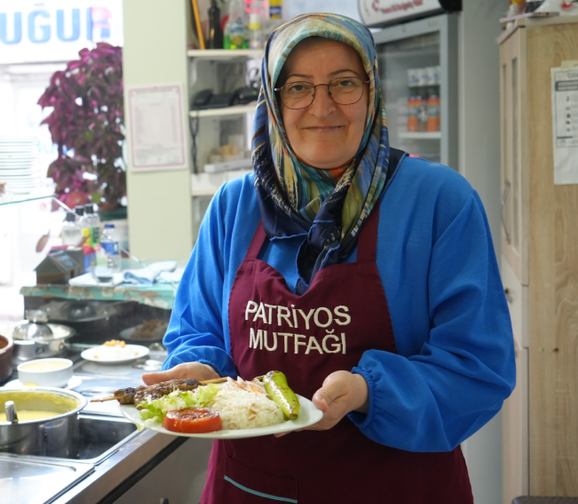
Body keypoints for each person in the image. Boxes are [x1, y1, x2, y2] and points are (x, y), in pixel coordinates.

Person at [142, 13, 516, 503]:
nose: (322, 106)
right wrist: (204, 371)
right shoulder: (235, 206)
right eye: (298, 88)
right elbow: (198, 328)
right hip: (252, 487)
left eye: (343, 83)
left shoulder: (439, 202)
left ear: (372, 89)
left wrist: (366, 390)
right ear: (273, 102)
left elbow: (477, 365)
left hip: (397, 487)